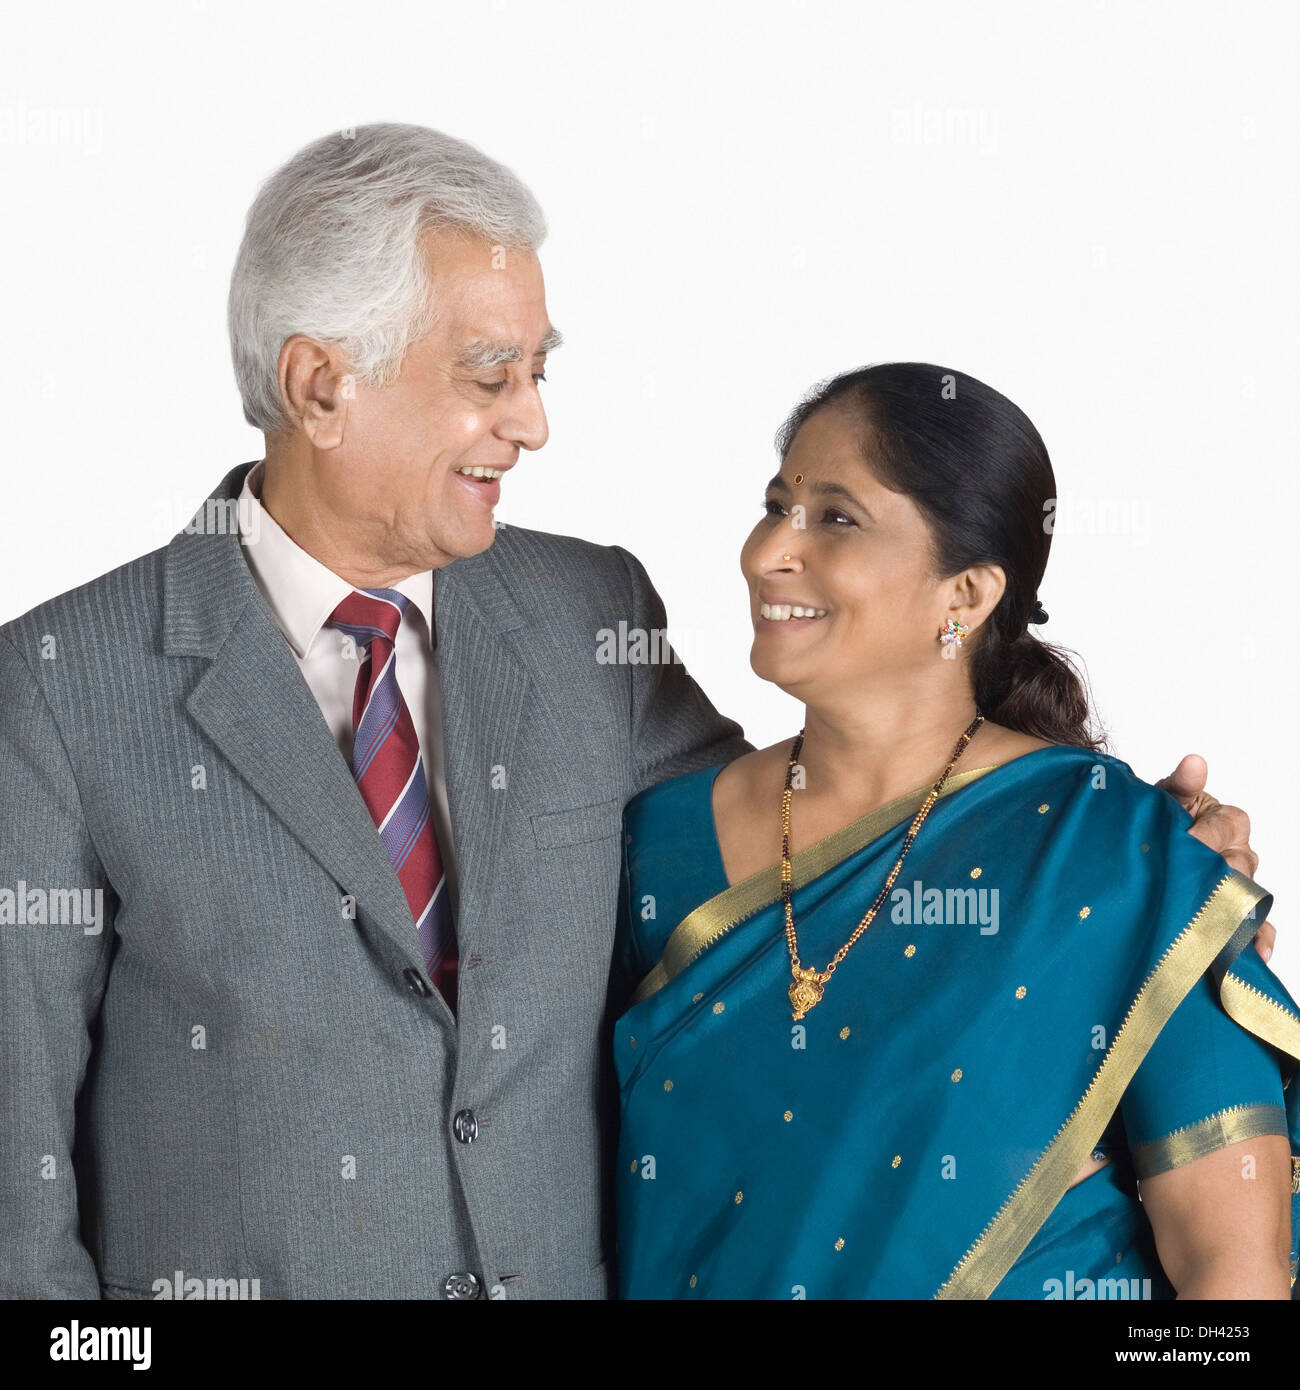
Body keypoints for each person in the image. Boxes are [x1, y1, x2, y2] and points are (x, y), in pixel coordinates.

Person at [0, 125, 1268, 1301]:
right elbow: (16, 1186)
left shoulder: (578, 611)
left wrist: (1129, 866)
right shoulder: (60, 686)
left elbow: (829, 838)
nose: (533, 422)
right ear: (320, 384)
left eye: (539, 372)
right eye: (489, 375)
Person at [612, 363, 1299, 1299]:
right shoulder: (662, 841)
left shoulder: (1113, 855)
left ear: (965, 598)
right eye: (776, 505)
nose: (767, 551)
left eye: (835, 519)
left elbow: (1233, 1271)